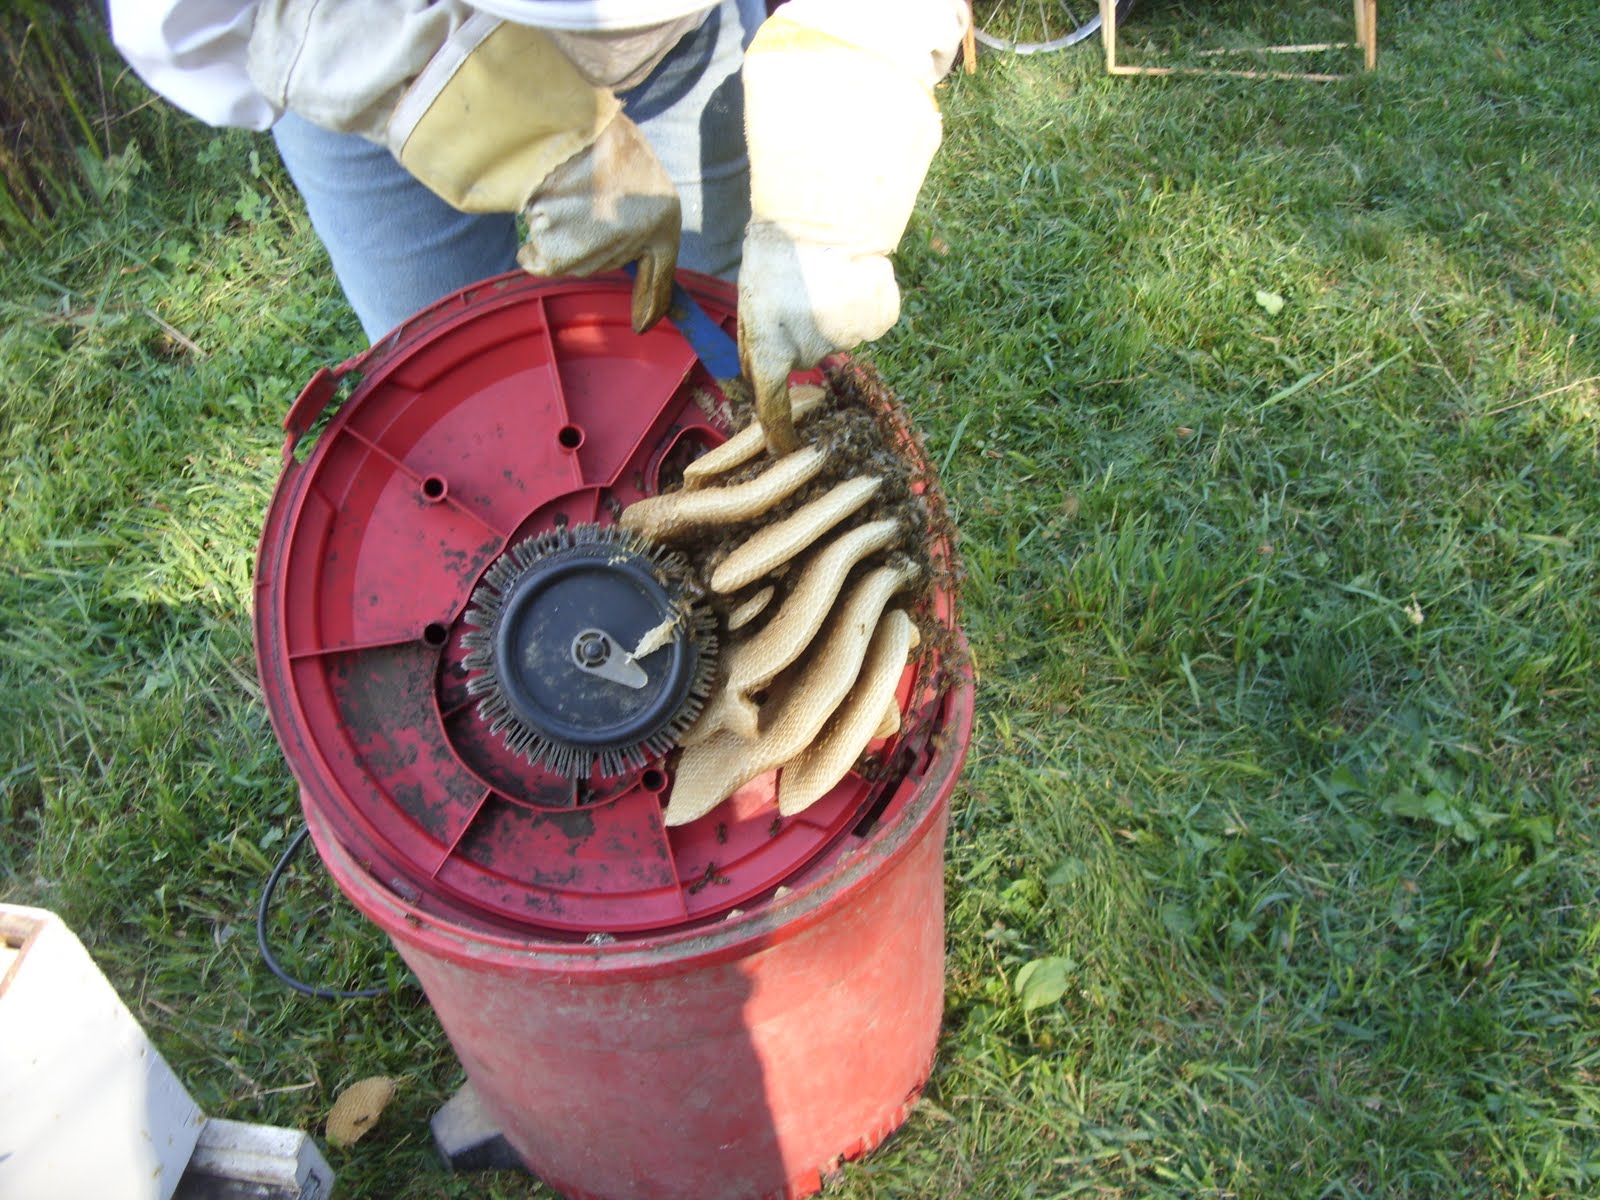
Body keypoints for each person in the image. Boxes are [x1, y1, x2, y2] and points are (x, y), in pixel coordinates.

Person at [109, 0, 969, 451]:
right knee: (463, 420)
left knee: (710, 400)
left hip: (671, 46)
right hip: (362, 60)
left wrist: (836, 186)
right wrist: (486, 120)